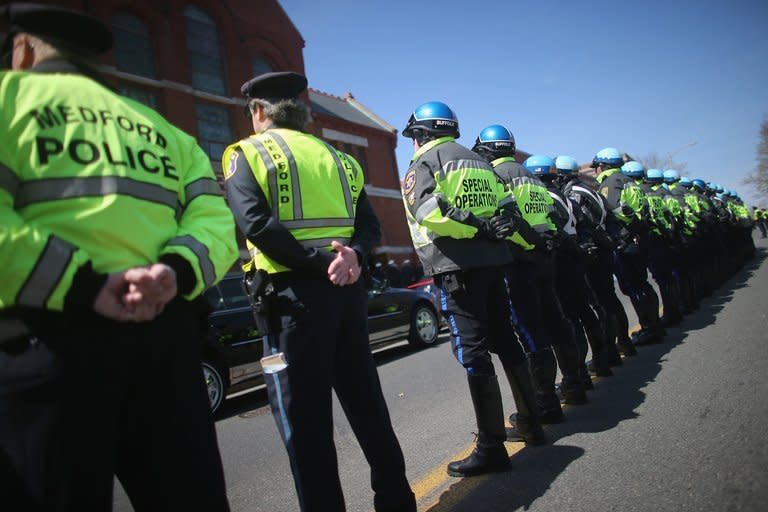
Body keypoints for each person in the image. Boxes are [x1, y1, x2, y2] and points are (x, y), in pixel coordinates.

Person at [0, 4, 238, 510]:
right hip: (167, 345)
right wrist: (173, 273)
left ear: (21, 49)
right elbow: (216, 220)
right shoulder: (162, 128)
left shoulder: (7, 98)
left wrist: (85, 285)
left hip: (44, 346)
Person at [222, 71, 416, 512]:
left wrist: (318, 263)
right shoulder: (340, 159)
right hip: (347, 295)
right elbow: (369, 226)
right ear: (302, 111)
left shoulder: (246, 153)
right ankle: (396, 502)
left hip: (290, 302)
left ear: (257, 111)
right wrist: (354, 258)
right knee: (368, 406)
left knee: (305, 425)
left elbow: (255, 225)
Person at [401, 104, 545, 478]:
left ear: (421, 134)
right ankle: (532, 422)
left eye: (413, 136)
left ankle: (491, 447)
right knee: (507, 341)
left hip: (456, 268)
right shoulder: (478, 163)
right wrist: (526, 244)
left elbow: (429, 211)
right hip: (495, 265)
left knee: (473, 352)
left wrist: (476, 229)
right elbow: (509, 215)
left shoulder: (426, 161)